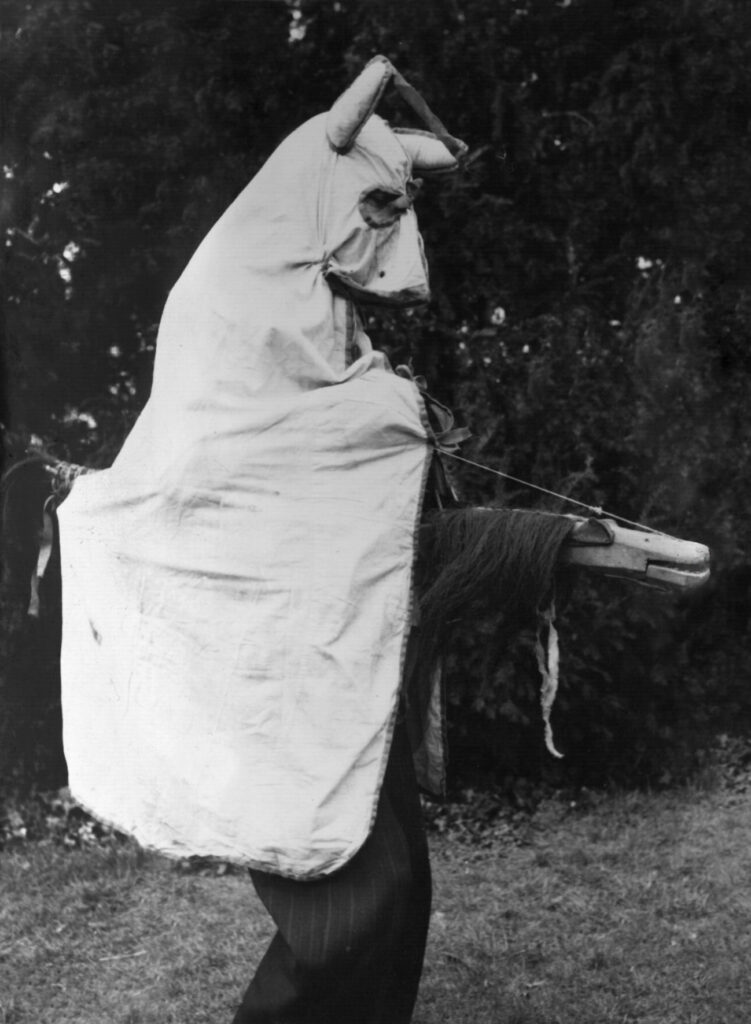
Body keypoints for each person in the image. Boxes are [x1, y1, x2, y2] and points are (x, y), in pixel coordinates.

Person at [56, 57, 467, 1022]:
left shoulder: (315, 309)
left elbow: (340, 429)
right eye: (371, 210)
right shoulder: (233, 298)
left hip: (332, 648)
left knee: (402, 892)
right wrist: (389, 420)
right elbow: (268, 450)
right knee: (359, 904)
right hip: (256, 647)